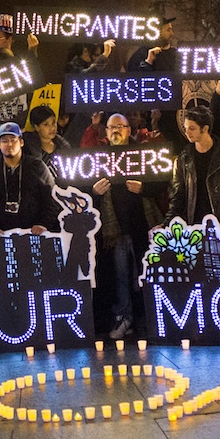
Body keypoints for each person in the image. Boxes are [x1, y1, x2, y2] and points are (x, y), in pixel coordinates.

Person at [91, 114, 164, 340]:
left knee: (148, 274)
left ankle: (152, 319)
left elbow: (162, 182)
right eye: (111, 127)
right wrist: (94, 192)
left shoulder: (143, 153)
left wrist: (144, 188)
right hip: (115, 230)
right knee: (120, 278)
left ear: (129, 129)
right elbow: (83, 192)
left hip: (143, 226)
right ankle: (125, 318)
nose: (116, 131)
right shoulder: (97, 157)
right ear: (106, 131)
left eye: (120, 127)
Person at [0, 123, 62, 241]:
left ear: (21, 142)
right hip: (0, 237)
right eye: (4, 141)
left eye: (13, 140)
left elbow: (52, 199)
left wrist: (43, 223)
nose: (9, 144)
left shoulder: (37, 167)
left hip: (33, 235)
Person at [168, 108, 220, 229]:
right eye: (186, 128)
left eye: (192, 128)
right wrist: (166, 223)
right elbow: (178, 196)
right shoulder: (183, 159)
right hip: (195, 224)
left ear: (205, 128)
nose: (187, 132)